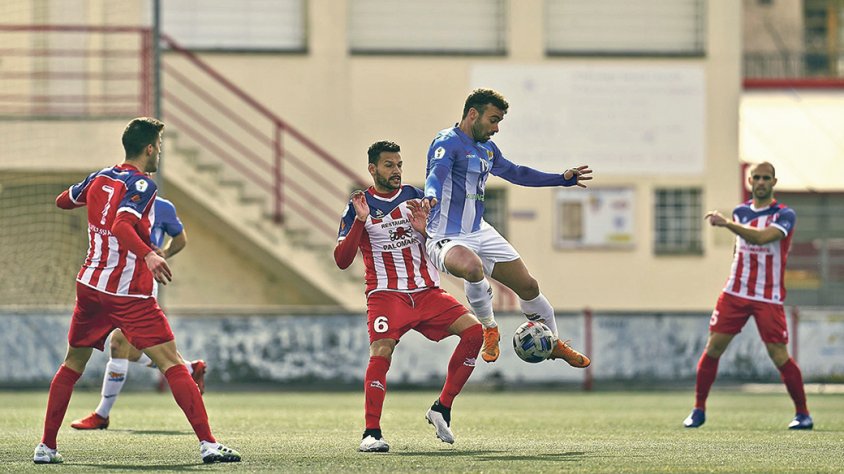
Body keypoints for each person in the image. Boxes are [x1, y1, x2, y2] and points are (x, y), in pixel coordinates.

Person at [33, 117, 240, 464]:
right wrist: (148, 254)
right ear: (148, 149)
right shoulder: (142, 185)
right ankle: (208, 444)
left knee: (72, 364)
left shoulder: (99, 177)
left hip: (90, 286)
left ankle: (46, 447)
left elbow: (63, 201)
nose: (159, 152)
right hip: (128, 293)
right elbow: (122, 225)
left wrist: (94, 197)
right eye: (159, 146)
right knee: (172, 362)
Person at [420, 87, 592, 367]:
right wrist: (430, 194)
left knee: (529, 286)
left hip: (479, 230)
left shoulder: (487, 149)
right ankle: (489, 328)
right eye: (493, 120)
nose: (497, 128)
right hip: (446, 236)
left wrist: (561, 179)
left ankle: (553, 343)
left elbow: (516, 173)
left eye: (499, 121)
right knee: (472, 268)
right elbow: (436, 174)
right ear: (472, 114)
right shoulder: (447, 142)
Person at [334, 140, 483, 452]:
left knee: (474, 332)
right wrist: (360, 222)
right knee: (381, 351)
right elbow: (342, 260)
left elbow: (443, 243)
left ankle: (442, 408)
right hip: (387, 295)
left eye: (399, 165)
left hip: (427, 292)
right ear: (372, 169)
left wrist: (426, 230)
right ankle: (371, 433)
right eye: (389, 165)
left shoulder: (417, 198)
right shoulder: (358, 205)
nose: (396, 171)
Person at [683, 161, 812, 430]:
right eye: (757, 177)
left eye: (766, 177)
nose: (761, 182)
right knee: (713, 348)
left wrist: (727, 224)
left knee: (778, 354)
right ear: (750, 181)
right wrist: (733, 230)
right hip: (735, 292)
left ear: (774, 182)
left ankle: (803, 414)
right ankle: (698, 409)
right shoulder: (741, 212)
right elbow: (738, 248)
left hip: (767, 296)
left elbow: (762, 238)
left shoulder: (784, 214)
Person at [70, 196, 208, 431]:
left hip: (140, 285)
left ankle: (102, 414)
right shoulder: (116, 201)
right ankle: (189, 368)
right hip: (114, 282)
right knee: (130, 351)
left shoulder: (162, 207)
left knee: (118, 344)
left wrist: (163, 254)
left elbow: (180, 238)